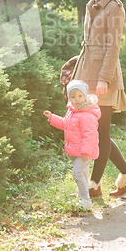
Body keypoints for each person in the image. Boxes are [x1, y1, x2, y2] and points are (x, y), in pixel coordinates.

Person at [72, 0, 126, 198]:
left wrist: (103, 79)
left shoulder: (115, 8)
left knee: (101, 133)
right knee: (95, 131)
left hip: (105, 77)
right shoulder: (91, 4)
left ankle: (94, 185)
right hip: (87, 74)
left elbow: (113, 48)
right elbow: (89, 45)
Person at [43, 79, 101, 210]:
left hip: (84, 151)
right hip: (76, 150)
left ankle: (85, 200)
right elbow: (65, 124)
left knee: (77, 173)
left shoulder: (87, 115)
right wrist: (52, 117)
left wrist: (86, 151)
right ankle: (83, 196)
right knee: (83, 174)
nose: (77, 99)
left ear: (85, 96)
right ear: (69, 98)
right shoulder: (72, 111)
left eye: (80, 96)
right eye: (73, 96)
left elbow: (90, 135)